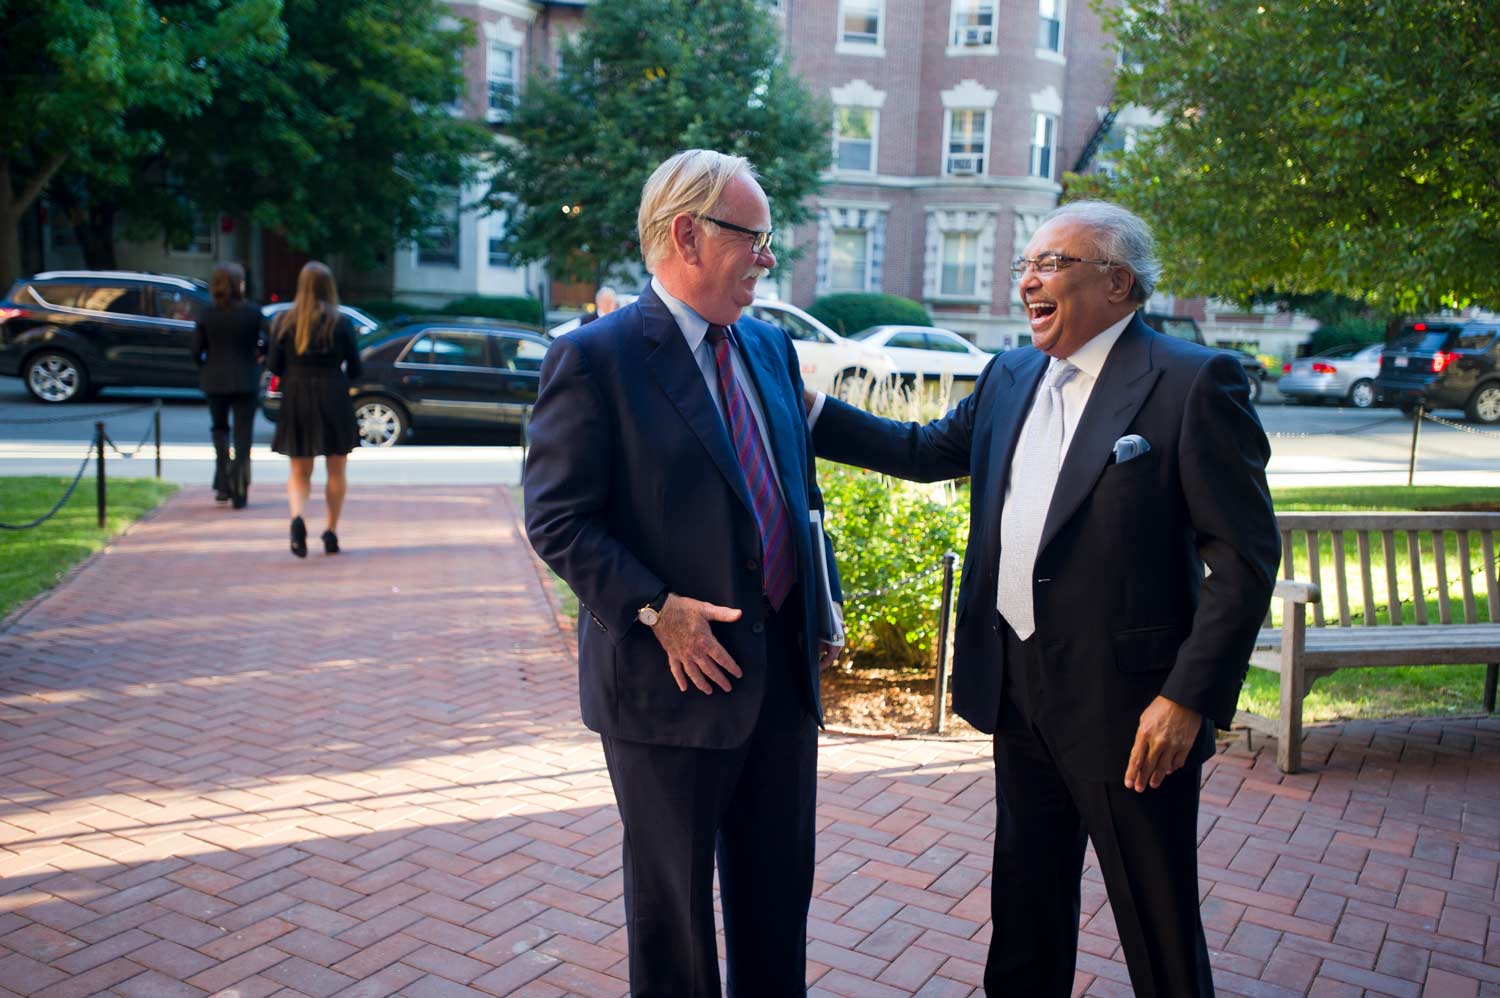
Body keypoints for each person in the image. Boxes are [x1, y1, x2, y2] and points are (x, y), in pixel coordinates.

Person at [805, 201, 1279, 997]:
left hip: (1132, 714)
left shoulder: (1193, 383)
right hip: (1019, 696)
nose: (1028, 279)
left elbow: (1243, 559)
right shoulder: (1010, 374)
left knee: (1157, 928)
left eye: (1052, 263)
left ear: (1118, 283)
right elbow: (922, 452)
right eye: (1026, 264)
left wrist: (1185, 699)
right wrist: (808, 407)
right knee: (1024, 913)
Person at [524, 149, 843, 997]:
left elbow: (796, 492)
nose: (769, 259)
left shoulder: (771, 349)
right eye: (756, 239)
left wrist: (824, 609)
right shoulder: (598, 358)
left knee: (779, 908)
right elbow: (556, 518)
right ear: (687, 235)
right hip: (669, 684)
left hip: (778, 685)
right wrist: (656, 607)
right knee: (674, 929)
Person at [267, 261, 362, 558]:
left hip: (297, 395)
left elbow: (274, 366)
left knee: (299, 470)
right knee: (336, 470)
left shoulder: (284, 321)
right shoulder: (340, 322)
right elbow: (356, 368)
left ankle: (297, 518)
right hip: (333, 395)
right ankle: (331, 531)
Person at [193, 261, 264, 509]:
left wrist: (205, 368)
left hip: (214, 379)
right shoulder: (253, 312)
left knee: (220, 431)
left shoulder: (206, 313)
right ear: (238, 285)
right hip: (245, 378)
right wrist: (259, 357)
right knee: (243, 436)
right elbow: (268, 341)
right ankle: (240, 488)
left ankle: (223, 484)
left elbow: (196, 350)